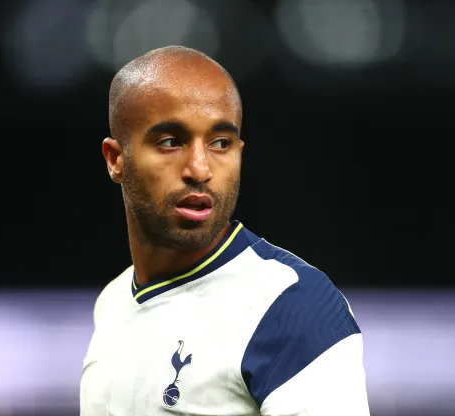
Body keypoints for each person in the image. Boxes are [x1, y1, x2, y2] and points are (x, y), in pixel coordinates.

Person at [80, 46, 370, 416]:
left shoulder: (291, 305)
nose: (200, 169)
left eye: (221, 143)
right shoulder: (114, 301)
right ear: (116, 159)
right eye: (171, 142)